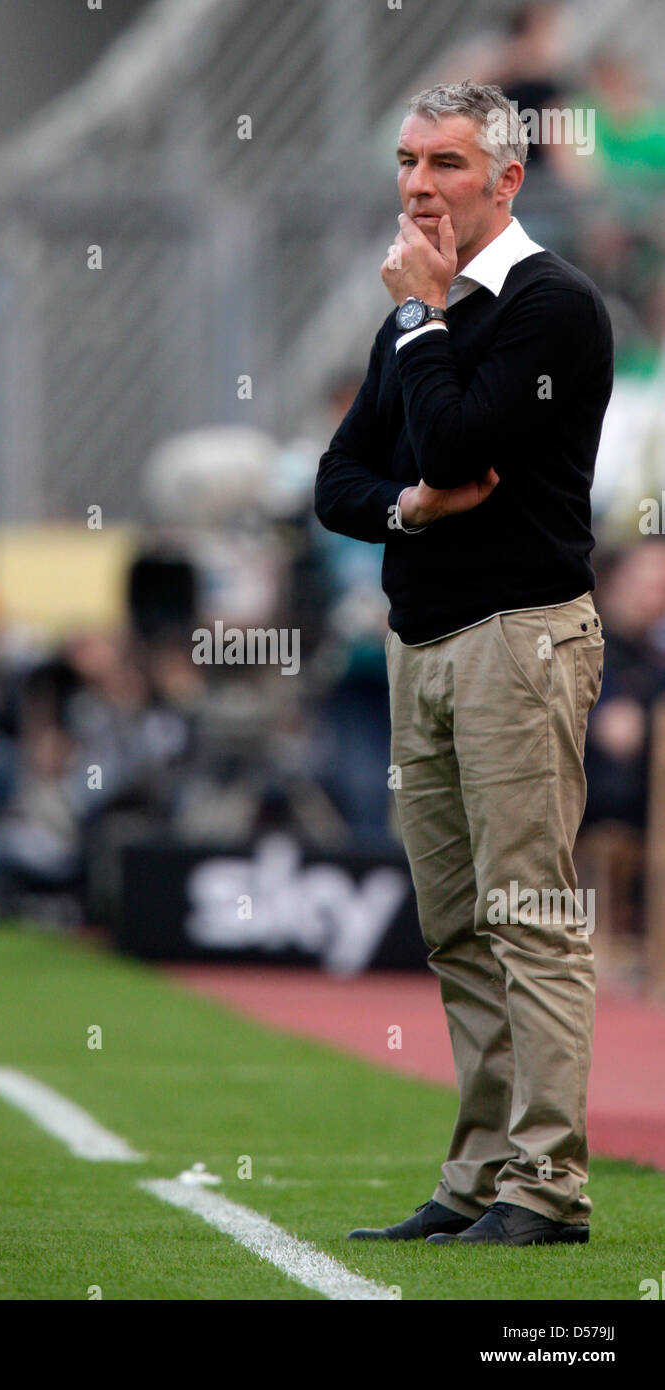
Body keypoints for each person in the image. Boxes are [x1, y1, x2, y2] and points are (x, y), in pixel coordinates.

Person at [315, 82, 613, 1246]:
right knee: (453, 924)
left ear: (506, 178)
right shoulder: (416, 315)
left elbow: (453, 440)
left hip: (518, 635)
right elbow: (338, 481)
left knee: (526, 914)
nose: (415, 186)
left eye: (443, 162)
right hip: (423, 642)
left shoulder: (548, 307)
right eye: (403, 160)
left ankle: (546, 1186)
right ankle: (482, 1172)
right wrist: (406, 507)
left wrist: (424, 319)